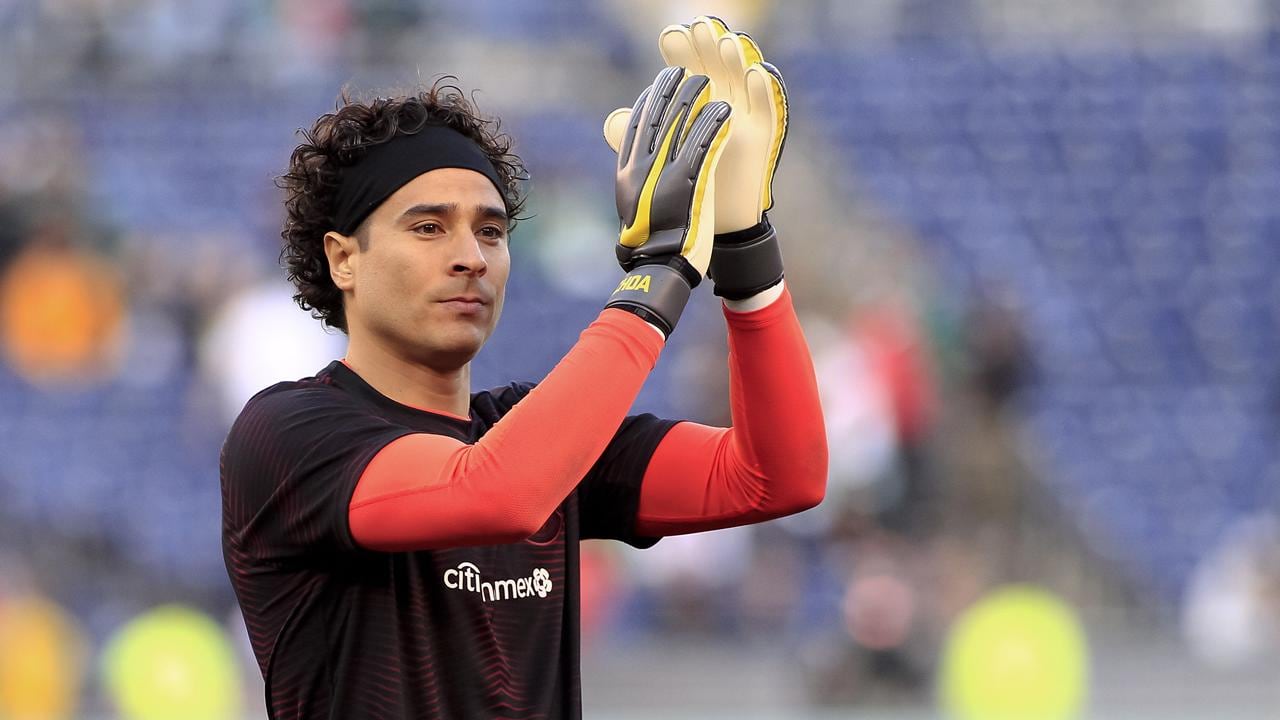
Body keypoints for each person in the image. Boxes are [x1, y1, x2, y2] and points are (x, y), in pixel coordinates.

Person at [221, 17, 826, 719]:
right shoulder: (287, 432)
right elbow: (496, 494)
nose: (471, 256)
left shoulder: (529, 432)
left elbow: (779, 476)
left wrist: (747, 253)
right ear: (342, 257)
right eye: (428, 227)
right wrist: (657, 273)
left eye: (492, 230)